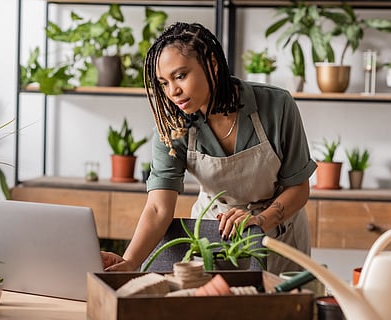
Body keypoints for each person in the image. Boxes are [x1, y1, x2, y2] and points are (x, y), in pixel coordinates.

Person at [102, 22, 317, 274]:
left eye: (180, 76)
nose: (173, 92)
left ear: (212, 65)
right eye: (164, 83)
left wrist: (260, 220)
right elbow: (159, 207)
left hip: (280, 234)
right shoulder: (173, 125)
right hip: (215, 233)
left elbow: (299, 188)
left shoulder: (276, 105)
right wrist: (130, 262)